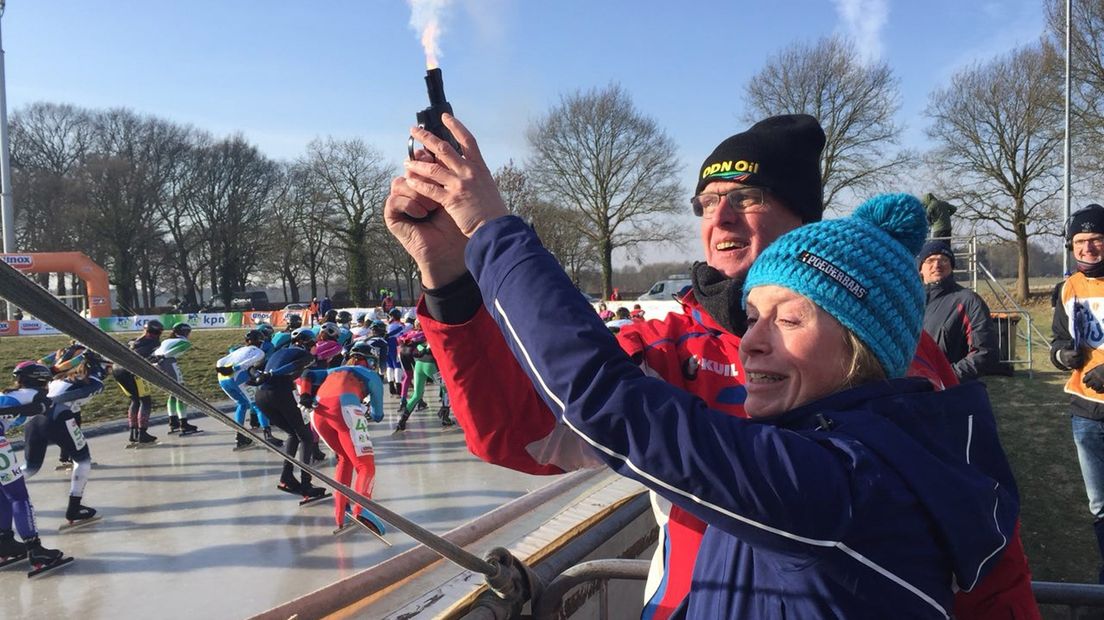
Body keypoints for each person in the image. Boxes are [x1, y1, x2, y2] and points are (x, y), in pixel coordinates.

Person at [386, 114, 1039, 618]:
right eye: (705, 201)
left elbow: (989, 559)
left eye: (747, 197)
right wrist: (449, 280)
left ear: (804, 219)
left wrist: (491, 231)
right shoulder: (669, 346)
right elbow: (519, 431)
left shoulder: (909, 371)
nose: (719, 218)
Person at [1051, 203, 1104, 583]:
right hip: (1084, 412)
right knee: (1100, 505)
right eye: (1081, 241)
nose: (1088, 248)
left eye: (1097, 239)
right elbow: (1058, 340)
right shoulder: (1068, 287)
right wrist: (1060, 354)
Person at [298, 342, 386, 535]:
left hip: (318, 413)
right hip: (345, 408)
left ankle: (340, 513)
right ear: (368, 361)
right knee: (365, 466)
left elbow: (307, 374)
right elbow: (379, 415)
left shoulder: (334, 369)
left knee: (344, 459)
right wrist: (371, 409)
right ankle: (362, 510)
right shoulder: (371, 375)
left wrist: (305, 394)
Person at [0, 362, 73, 575]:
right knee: (19, 496)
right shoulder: (35, 396)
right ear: (42, 381)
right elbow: (39, 407)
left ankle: (4, 542)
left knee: (3, 494)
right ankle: (36, 550)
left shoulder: (15, 393)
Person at [24, 347, 106, 526]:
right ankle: (74, 508)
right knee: (83, 461)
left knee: (30, 468)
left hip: (35, 420)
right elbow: (75, 396)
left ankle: (6, 486)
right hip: (58, 417)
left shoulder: (59, 378)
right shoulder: (94, 382)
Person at [255, 328, 327, 501]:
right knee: (307, 437)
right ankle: (306, 484)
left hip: (261, 396)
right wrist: (272, 374)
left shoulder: (279, 352)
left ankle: (286, 477)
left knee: (293, 434)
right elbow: (293, 367)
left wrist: (263, 374)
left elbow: (258, 368)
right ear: (308, 343)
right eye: (314, 344)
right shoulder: (306, 355)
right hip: (279, 393)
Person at [917, 240, 1000, 381]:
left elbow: (985, 352)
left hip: (951, 393)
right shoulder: (909, 302)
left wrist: (945, 377)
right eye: (930, 260)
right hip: (912, 392)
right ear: (920, 268)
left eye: (944, 260)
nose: (937, 265)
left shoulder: (968, 301)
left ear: (951, 267)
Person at [217, 330, 282, 450]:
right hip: (238, 376)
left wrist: (223, 370)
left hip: (222, 377)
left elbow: (220, 361)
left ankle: (240, 436)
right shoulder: (259, 351)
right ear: (261, 342)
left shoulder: (239, 349)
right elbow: (251, 362)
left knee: (242, 404)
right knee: (257, 405)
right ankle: (268, 435)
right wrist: (237, 368)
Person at [113, 320, 163, 447]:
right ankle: (142, 433)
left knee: (135, 400)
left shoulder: (132, 340)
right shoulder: (155, 343)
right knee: (145, 401)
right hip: (134, 371)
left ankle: (133, 433)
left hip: (117, 370)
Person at [154, 322, 200, 435]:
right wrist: (165, 356)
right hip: (168, 362)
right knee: (181, 392)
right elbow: (173, 351)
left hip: (157, 364)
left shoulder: (166, 340)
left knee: (172, 393)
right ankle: (183, 423)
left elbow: (157, 351)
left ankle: (173, 422)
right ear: (185, 332)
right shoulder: (184, 342)